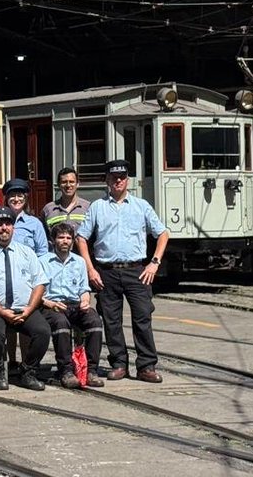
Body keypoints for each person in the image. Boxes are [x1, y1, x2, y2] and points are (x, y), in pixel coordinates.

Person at [76, 159, 170, 384]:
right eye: (113, 177)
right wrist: (90, 269)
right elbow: (81, 238)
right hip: (106, 271)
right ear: (107, 180)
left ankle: (146, 366)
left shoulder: (141, 206)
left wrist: (154, 262)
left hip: (137, 271)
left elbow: (163, 233)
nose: (118, 181)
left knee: (142, 318)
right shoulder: (97, 207)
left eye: (122, 177)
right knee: (111, 321)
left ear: (128, 180)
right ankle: (119, 364)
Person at [0, 207, 51, 391]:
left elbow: (40, 283)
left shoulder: (27, 253)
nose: (4, 228)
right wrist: (2, 312)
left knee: (43, 331)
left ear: (13, 228)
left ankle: (28, 371)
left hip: (24, 307)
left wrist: (29, 309)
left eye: (7, 224)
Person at [39, 222, 105, 389]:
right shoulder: (42, 261)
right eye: (61, 237)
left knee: (94, 321)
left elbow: (84, 288)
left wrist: (85, 300)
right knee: (61, 324)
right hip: (51, 305)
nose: (65, 241)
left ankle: (91, 370)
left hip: (75, 304)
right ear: (53, 241)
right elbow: (38, 294)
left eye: (69, 238)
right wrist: (51, 304)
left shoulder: (80, 261)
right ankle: (66, 370)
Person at [3, 178, 49, 256]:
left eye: (20, 196)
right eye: (12, 196)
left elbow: (42, 252)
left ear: (25, 199)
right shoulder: (0, 222)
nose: (16, 199)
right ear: (7, 199)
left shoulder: (35, 223)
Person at [41, 167, 90, 233]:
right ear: (58, 184)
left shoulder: (88, 208)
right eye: (64, 182)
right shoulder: (48, 209)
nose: (68, 185)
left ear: (77, 184)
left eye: (72, 182)